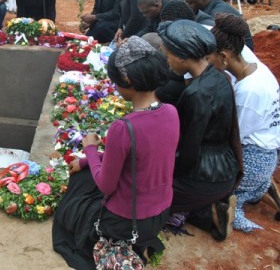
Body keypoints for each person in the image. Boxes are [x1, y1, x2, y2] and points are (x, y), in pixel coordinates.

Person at [52, 36, 179, 269]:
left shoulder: (125, 127)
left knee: (80, 189)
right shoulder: (171, 112)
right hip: (159, 215)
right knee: (86, 170)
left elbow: (106, 186)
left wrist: (90, 148)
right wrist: (89, 160)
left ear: (127, 80)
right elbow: (140, 157)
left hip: (126, 223)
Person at [158, 19, 243, 241]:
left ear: (181, 56)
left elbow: (188, 153)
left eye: (167, 56)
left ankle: (208, 212)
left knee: (145, 194)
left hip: (204, 176)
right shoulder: (220, 76)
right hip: (225, 168)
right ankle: (209, 207)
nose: (167, 61)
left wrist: (162, 175)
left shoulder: (196, 94)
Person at [208, 14, 280, 232]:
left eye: (209, 58)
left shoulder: (250, 92)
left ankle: (238, 214)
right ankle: (262, 188)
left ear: (223, 56)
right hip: (267, 153)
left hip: (253, 158)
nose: (207, 62)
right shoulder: (249, 64)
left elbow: (232, 138)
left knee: (209, 188)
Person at [184, 0, 254, 50]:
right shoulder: (209, 6)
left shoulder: (218, 14)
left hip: (241, 51)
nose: (188, 6)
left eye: (191, 3)